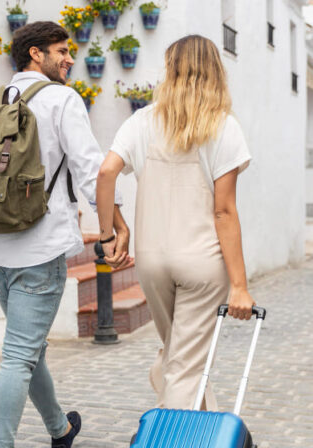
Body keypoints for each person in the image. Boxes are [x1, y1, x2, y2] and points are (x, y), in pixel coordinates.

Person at [0, 21, 130, 448]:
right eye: (61, 51)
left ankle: (59, 427)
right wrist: (114, 227)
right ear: (34, 54)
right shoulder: (62, 100)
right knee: (20, 354)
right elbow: (92, 171)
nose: (69, 59)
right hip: (39, 246)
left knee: (29, 348)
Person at [96, 35, 255, 411]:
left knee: (178, 356)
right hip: (202, 261)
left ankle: (204, 437)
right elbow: (224, 211)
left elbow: (105, 173)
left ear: (171, 70)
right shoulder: (223, 126)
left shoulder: (142, 121)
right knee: (184, 366)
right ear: (215, 72)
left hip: (152, 260)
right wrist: (240, 285)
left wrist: (109, 234)